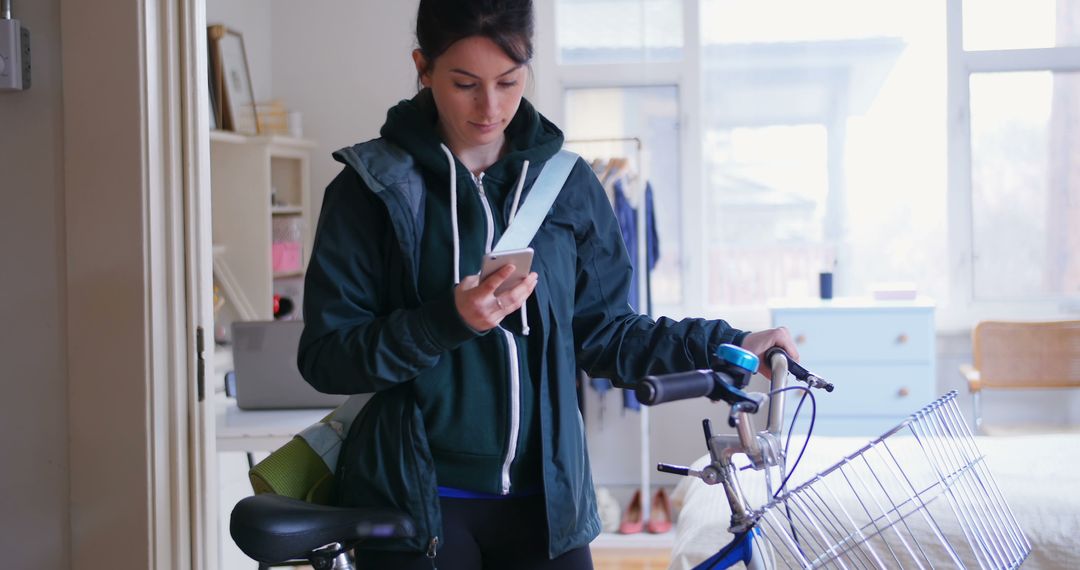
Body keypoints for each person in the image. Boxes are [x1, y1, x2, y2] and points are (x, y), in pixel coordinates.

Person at [297, 0, 799, 568]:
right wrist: (447, 322)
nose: (491, 107)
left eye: (509, 82)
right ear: (423, 67)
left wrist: (725, 343)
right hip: (415, 507)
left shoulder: (570, 184)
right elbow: (326, 359)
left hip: (547, 508)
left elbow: (608, 335)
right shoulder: (371, 188)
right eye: (465, 84)